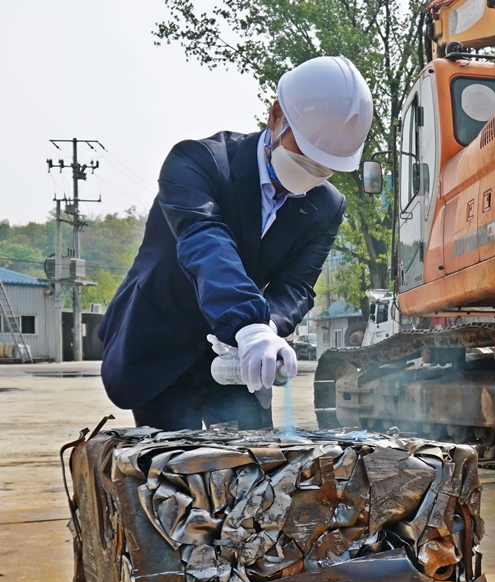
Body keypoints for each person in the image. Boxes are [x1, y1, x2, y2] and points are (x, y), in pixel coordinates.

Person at [98, 55, 373, 430]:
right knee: (172, 476)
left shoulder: (326, 205)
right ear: (275, 116)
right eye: (303, 153)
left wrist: (268, 329)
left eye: (324, 166)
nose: (312, 171)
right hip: (163, 346)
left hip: (238, 358)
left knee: (251, 471)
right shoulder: (197, 164)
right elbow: (206, 242)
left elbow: (296, 285)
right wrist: (247, 322)